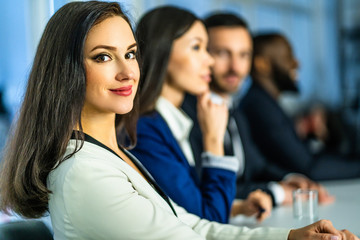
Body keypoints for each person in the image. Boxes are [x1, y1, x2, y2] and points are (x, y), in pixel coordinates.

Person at [0, 1, 358, 239]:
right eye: (103, 57)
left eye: (130, 54)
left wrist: (291, 236)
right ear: (66, 72)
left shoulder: (113, 154)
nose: (128, 72)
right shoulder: (86, 173)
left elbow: (188, 224)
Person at [129, 6, 272, 223]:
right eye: (197, 48)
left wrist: (237, 208)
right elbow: (208, 219)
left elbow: (189, 205)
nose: (210, 61)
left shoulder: (167, 121)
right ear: (163, 51)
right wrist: (213, 139)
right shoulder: (144, 131)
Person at [182, 13, 333, 207]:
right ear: (203, 55)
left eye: (243, 55)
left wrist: (290, 180)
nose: (235, 67)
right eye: (222, 53)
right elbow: (208, 186)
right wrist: (277, 192)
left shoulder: (235, 111)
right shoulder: (186, 115)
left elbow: (257, 167)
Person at [241, 32, 360, 180]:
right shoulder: (259, 107)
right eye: (287, 57)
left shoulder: (266, 103)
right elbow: (307, 168)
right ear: (262, 65)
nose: (297, 63)